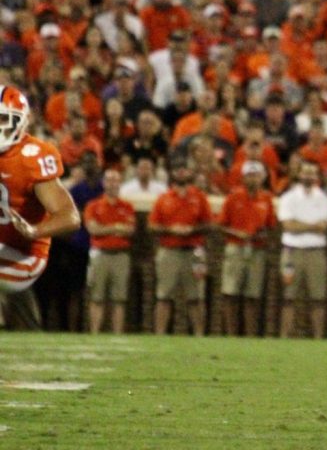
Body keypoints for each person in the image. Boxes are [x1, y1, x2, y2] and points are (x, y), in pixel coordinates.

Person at [0, 87, 82, 328]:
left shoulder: (31, 156)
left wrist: (34, 230)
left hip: (25, 253)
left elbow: (70, 217)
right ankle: (27, 327)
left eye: (3, 118)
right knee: (26, 325)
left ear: (21, 121)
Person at [148, 161, 213, 336]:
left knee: (196, 297)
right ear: (173, 173)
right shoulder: (164, 198)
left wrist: (192, 229)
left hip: (193, 250)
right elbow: (152, 226)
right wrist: (171, 229)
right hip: (169, 250)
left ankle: (199, 335)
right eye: (178, 169)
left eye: (184, 169)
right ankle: (159, 334)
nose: (182, 172)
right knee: (163, 296)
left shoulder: (199, 197)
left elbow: (209, 224)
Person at [216, 161, 277, 336]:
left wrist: (261, 234)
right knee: (230, 292)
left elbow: (270, 225)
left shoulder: (266, 199)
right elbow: (220, 225)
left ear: (262, 178)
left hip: (257, 248)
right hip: (236, 246)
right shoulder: (233, 197)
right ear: (243, 177)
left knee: (253, 294)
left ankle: (250, 334)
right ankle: (231, 333)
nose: (253, 179)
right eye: (250, 175)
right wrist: (237, 233)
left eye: (256, 175)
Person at [278, 162, 327, 339]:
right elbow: (288, 225)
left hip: (315, 252)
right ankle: (285, 336)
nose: (309, 176)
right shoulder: (288, 198)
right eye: (306, 172)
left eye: (312, 173)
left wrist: (299, 225)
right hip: (292, 252)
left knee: (318, 298)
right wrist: (311, 226)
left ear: (317, 177)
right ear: (299, 174)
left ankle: (318, 338)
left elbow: (323, 227)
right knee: (288, 297)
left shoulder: (324, 199)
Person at [83, 168, 136, 333]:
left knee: (119, 299)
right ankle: (95, 332)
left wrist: (104, 228)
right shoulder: (93, 205)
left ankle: (117, 333)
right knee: (96, 297)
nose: (113, 184)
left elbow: (130, 230)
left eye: (116, 180)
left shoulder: (127, 206)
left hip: (120, 255)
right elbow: (93, 229)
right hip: (100, 254)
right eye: (109, 180)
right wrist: (115, 227)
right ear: (104, 183)